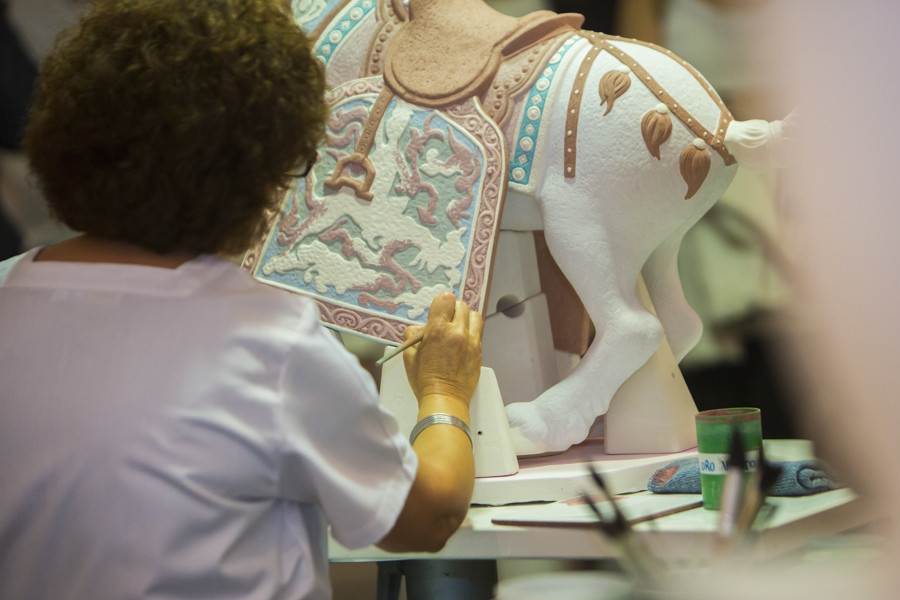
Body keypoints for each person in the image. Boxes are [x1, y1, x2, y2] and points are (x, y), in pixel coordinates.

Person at [0, 1, 483, 598]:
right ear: (253, 171)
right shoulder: (266, 336)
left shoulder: (8, 291)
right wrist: (444, 392)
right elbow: (428, 517)